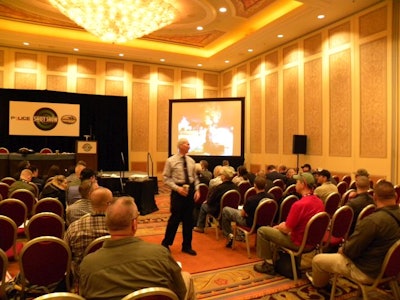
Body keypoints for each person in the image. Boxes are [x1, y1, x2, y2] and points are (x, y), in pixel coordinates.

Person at [79, 196, 195, 300]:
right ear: (134, 224)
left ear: (107, 224)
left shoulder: (88, 264)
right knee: (186, 278)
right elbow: (180, 291)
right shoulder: (160, 253)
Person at [308, 180, 400, 290]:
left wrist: (342, 249)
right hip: (393, 269)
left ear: (375, 197)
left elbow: (350, 251)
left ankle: (319, 287)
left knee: (317, 260)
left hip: (368, 272)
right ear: (395, 195)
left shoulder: (372, 221)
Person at [253, 172, 324, 275]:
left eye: (297, 182)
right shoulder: (319, 201)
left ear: (303, 184)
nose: (295, 184)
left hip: (298, 242)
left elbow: (287, 229)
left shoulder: (299, 204)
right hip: (313, 242)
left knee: (262, 231)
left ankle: (268, 265)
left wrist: (279, 227)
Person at [64, 187, 112, 282]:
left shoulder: (74, 228)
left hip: (83, 278)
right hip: (112, 276)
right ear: (109, 204)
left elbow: (66, 256)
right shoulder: (119, 228)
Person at [161, 138, 199, 256]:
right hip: (178, 191)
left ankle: (187, 246)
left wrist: (197, 190)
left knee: (189, 220)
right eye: (187, 143)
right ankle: (166, 243)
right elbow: (166, 178)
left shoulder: (191, 161)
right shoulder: (171, 161)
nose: (189, 145)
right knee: (175, 219)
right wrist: (178, 189)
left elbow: (195, 177)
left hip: (190, 191)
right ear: (180, 146)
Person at [221, 176, 275, 248]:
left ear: (254, 185)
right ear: (265, 185)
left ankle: (228, 235)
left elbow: (242, 214)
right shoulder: (271, 197)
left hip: (250, 224)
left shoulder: (251, 199)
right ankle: (239, 235)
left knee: (226, 210)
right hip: (265, 223)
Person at [193, 166, 237, 233]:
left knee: (204, 206)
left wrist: (206, 201)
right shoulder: (236, 187)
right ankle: (222, 224)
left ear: (224, 177)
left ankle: (200, 227)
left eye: (221, 175)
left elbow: (210, 201)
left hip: (218, 211)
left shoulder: (219, 188)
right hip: (232, 210)